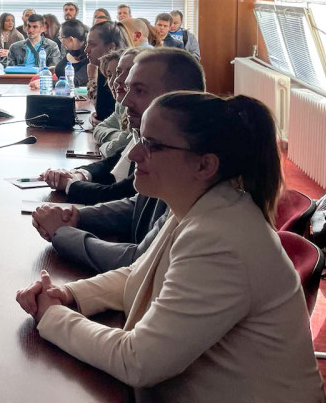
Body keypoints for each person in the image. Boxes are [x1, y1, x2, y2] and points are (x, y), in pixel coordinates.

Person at [18, 92, 326, 403]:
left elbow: (137, 361)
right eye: (140, 139)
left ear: (204, 165)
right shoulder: (197, 204)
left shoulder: (221, 239)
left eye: (152, 145)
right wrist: (69, 294)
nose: (134, 153)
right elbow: (139, 273)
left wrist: (52, 316)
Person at [37, 48, 207, 260]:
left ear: (178, 95)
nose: (125, 101)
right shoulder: (163, 141)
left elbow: (139, 260)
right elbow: (139, 205)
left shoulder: (185, 155)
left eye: (140, 91)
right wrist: (76, 216)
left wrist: (61, 232)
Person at [92, 48, 140, 158]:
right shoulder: (121, 105)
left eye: (129, 73)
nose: (115, 80)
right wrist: (119, 135)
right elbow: (98, 129)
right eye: (109, 75)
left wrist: (105, 145)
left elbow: (112, 150)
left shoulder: (141, 110)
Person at [85, 21, 128, 122]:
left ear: (111, 47)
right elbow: (102, 112)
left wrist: (91, 79)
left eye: (92, 45)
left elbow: (119, 122)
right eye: (87, 44)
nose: (86, 50)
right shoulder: (103, 68)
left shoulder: (122, 74)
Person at [53, 19, 89, 86]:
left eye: (61, 38)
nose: (61, 41)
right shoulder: (71, 52)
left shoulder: (89, 57)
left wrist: (49, 82)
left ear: (71, 39)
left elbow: (75, 81)